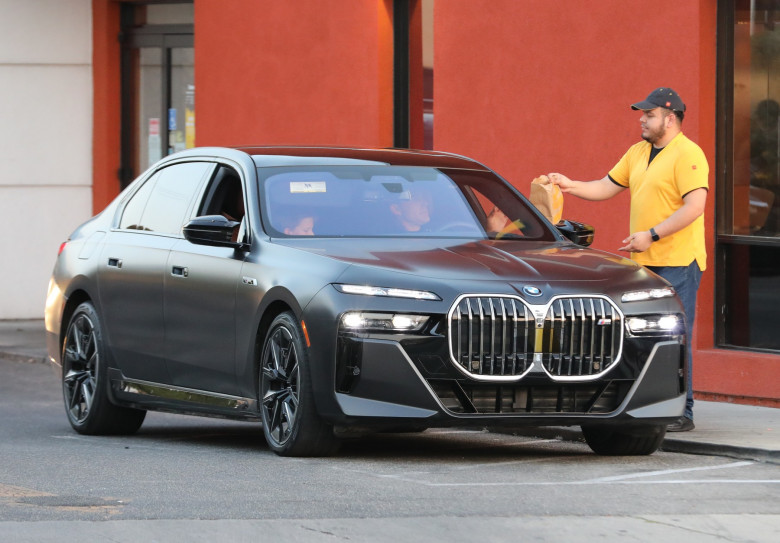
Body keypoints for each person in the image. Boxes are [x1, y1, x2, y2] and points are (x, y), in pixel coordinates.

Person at [548, 87, 708, 432]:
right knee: (642, 335)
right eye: (642, 114)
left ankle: (685, 410)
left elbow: (695, 207)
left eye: (649, 115)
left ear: (670, 118)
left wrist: (651, 234)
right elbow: (607, 186)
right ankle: (644, 404)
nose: (642, 119)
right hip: (645, 263)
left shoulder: (688, 154)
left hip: (678, 261)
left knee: (675, 336)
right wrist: (570, 185)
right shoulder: (638, 152)